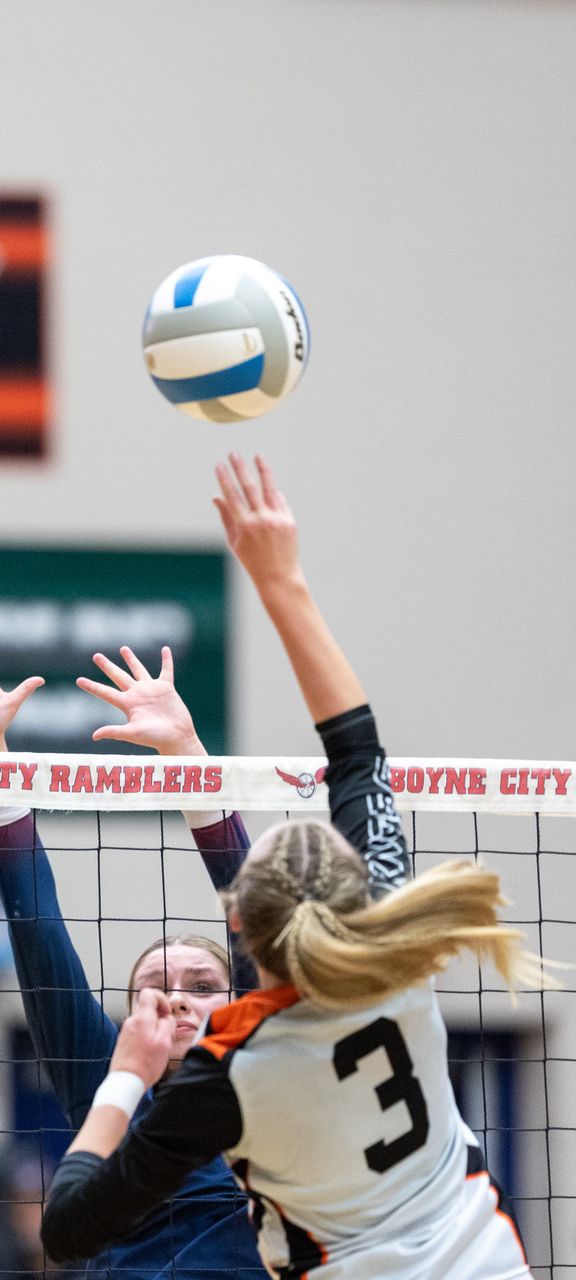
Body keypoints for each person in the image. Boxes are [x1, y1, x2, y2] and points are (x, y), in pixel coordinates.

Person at [41, 455, 553, 1278]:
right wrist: (283, 580)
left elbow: (68, 1229)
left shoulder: (223, 1074)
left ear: (238, 927)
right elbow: (357, 753)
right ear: (356, 896)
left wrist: (126, 1078)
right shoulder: (399, 949)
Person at [0, 617, 267, 1276]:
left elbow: (254, 908)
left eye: (202, 987)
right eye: (156, 989)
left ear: (240, 1007)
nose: (176, 1001)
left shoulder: (265, 1068)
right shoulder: (106, 1082)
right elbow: (37, 931)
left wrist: (188, 755)